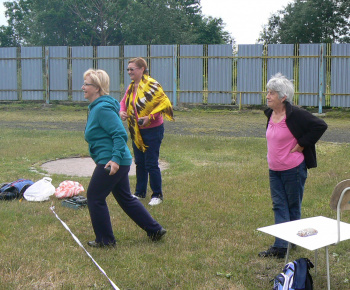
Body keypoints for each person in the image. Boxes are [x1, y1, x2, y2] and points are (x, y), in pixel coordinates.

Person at [83, 68, 166, 247]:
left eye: (86, 84)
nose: (83, 87)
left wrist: (114, 160)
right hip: (118, 160)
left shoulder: (102, 109)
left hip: (111, 161)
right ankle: (155, 230)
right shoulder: (99, 107)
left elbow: (120, 134)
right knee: (126, 198)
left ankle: (105, 241)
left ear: (97, 88)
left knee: (95, 197)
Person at [258, 73, 327, 258]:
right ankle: (284, 244)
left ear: (283, 97)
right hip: (274, 170)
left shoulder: (296, 115)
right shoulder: (271, 114)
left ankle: (286, 245)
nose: (268, 96)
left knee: (292, 205)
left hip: (293, 170)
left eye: (272, 93)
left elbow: (320, 125)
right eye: (268, 92)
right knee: (279, 205)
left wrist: (302, 143)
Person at [120, 57, 174, 206]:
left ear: (142, 69)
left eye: (132, 69)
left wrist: (150, 117)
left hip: (153, 130)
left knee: (151, 163)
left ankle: (157, 194)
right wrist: (122, 112)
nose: (129, 72)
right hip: (137, 131)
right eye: (128, 69)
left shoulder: (152, 85)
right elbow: (123, 103)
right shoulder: (131, 87)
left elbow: (164, 103)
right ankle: (140, 193)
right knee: (139, 163)